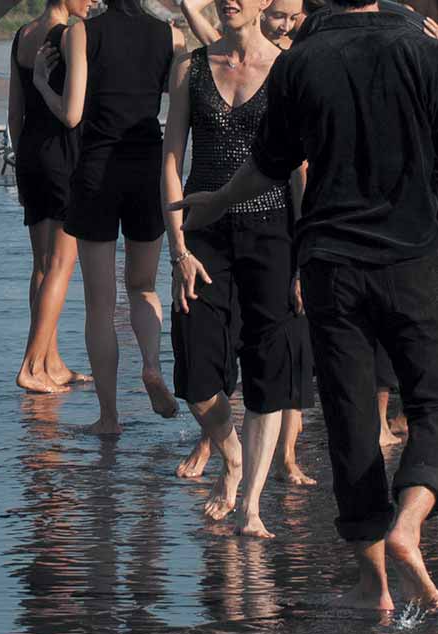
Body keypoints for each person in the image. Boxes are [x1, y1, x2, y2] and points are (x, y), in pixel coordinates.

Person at [176, 0, 438, 608]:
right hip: (412, 257)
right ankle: (409, 522)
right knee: (430, 404)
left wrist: (212, 203)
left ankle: (372, 585)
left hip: (329, 264)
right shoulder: (422, 52)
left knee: (350, 419)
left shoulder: (298, 64)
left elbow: (268, 166)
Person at [161, 0, 316, 538]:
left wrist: (303, 258)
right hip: (202, 234)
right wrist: (178, 248)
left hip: (273, 233)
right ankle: (231, 456)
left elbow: (299, 173)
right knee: (198, 375)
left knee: (268, 373)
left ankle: (250, 504)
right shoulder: (190, 66)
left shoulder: (286, 69)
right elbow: (172, 161)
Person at [33, 0, 185, 435]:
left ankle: (109, 417)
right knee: (143, 286)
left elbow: (73, 114)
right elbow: (177, 107)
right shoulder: (168, 36)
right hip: (147, 165)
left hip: (98, 168)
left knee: (100, 302)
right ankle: (153, 366)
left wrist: (43, 85)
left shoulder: (81, 33)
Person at [9, 0, 94, 394]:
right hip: (64, 154)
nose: (92, 1)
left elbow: (14, 111)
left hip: (30, 154)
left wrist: (24, 151)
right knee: (61, 264)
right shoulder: (71, 34)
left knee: (42, 266)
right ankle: (31, 365)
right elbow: (73, 114)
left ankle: (51, 361)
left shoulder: (22, 34)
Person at [183, 0, 305, 48]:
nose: (286, 26)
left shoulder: (295, 50)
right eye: (278, 16)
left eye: (294, 18)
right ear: (264, 4)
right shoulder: (229, 48)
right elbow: (189, 5)